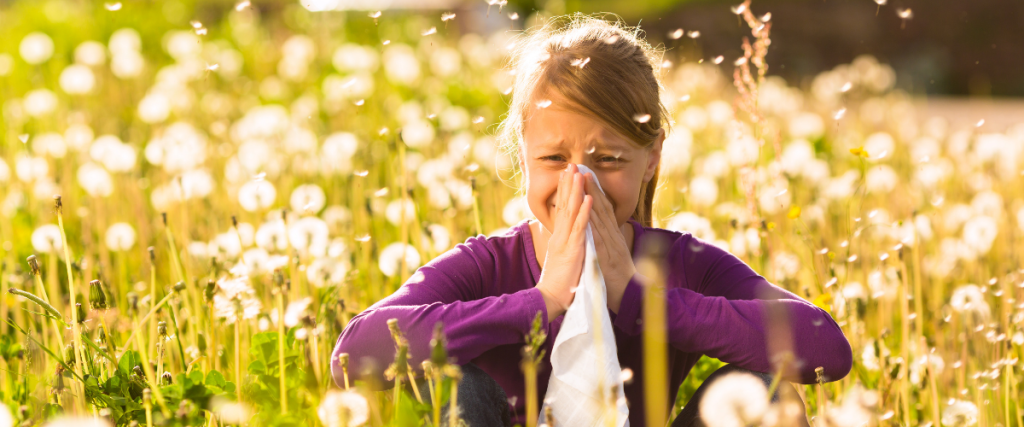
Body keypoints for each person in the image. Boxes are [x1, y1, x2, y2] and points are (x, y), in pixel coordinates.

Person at [331, 13, 852, 427]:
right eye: (554, 159)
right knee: (454, 380)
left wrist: (640, 298)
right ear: (523, 157)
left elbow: (825, 348)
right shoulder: (487, 264)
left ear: (651, 158)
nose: (579, 184)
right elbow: (353, 357)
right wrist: (541, 302)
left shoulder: (679, 263)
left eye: (607, 160)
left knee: (769, 387)